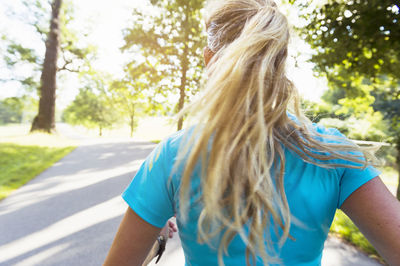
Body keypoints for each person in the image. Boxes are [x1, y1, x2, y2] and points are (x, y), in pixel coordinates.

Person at [103, 0, 400, 265]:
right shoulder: (332, 152)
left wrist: (157, 238)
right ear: (281, 62)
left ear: (209, 60)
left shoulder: (175, 154)